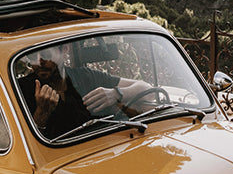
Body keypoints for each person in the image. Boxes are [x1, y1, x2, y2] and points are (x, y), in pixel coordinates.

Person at [19, 45, 156, 140]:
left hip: (105, 147)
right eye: (32, 57)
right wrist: (42, 113)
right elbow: (25, 145)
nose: (38, 62)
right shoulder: (21, 89)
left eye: (46, 54)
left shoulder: (85, 76)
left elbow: (147, 88)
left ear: (64, 50)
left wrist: (116, 94)